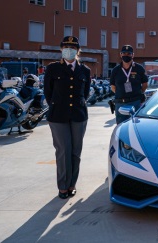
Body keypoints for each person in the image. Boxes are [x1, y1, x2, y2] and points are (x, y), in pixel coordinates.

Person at [43, 36, 91, 199]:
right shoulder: (53, 68)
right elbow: (48, 93)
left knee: (75, 152)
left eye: (72, 47)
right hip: (58, 116)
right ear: (61, 49)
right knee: (63, 150)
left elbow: (84, 94)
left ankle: (72, 184)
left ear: (78, 51)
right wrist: (56, 105)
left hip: (78, 115)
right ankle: (63, 186)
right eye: (65, 47)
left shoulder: (85, 70)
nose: (68, 50)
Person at [109, 45, 148, 124]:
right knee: (121, 127)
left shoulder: (139, 68)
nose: (126, 55)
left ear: (132, 55)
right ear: (120, 54)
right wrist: (121, 93)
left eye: (129, 54)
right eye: (124, 53)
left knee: (136, 126)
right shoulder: (115, 70)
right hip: (120, 103)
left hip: (135, 102)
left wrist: (138, 93)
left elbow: (145, 84)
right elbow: (112, 86)